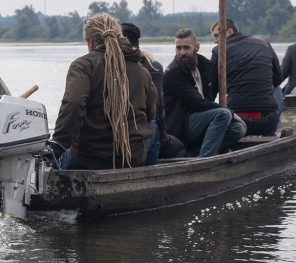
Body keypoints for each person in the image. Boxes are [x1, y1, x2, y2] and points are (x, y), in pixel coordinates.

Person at [51, 14, 157, 169]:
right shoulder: (141, 70)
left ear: (91, 41)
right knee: (154, 128)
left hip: (89, 160)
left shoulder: (83, 65)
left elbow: (73, 105)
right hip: (133, 159)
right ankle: (150, 177)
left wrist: (57, 147)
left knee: (52, 159)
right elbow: (151, 113)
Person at [163, 28, 246, 157]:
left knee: (238, 129)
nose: (182, 52)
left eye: (186, 48)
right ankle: (204, 159)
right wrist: (230, 112)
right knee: (223, 114)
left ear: (197, 47)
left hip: (202, 120)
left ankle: (192, 154)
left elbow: (210, 98)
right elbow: (197, 102)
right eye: (178, 48)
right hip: (181, 125)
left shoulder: (206, 66)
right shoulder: (173, 72)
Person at [121, 21, 183, 163]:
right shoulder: (152, 65)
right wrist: (162, 134)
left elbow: (157, 106)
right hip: (143, 129)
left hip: (132, 129)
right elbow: (157, 107)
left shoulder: (148, 66)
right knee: (158, 132)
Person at [210, 19, 283, 136]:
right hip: (266, 120)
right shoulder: (264, 43)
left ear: (230, 31)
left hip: (237, 120)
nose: (215, 41)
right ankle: (269, 135)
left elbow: (211, 90)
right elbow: (278, 79)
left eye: (217, 36)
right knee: (277, 88)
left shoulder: (218, 51)